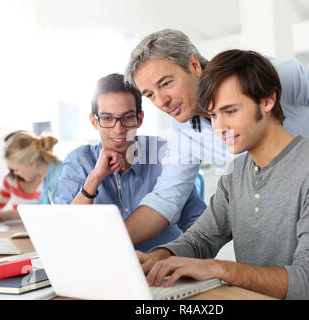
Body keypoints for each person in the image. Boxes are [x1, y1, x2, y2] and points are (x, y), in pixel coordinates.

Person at [124, 29, 309, 235]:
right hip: (284, 202)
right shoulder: (183, 128)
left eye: (166, 83)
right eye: (150, 95)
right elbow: (166, 197)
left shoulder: (262, 76)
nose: (161, 101)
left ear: (194, 66)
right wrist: (116, 243)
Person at [137, 49, 309, 300]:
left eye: (230, 112)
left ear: (267, 101)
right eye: (214, 114)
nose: (219, 128)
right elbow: (201, 239)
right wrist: (155, 259)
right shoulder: (237, 172)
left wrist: (218, 269)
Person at [56, 73, 206, 252]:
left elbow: (195, 219)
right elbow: (64, 230)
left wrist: (189, 258)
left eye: (127, 117)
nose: (118, 129)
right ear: (94, 121)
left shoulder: (163, 153)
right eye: (107, 119)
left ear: (140, 118)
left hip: (163, 264)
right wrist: (95, 178)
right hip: (104, 265)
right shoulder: (79, 161)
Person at [0, 131, 62, 222]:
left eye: (16, 169)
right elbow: (39, 208)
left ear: (31, 163)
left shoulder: (59, 177)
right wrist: (3, 215)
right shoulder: (46, 176)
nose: (15, 173)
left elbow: (58, 216)